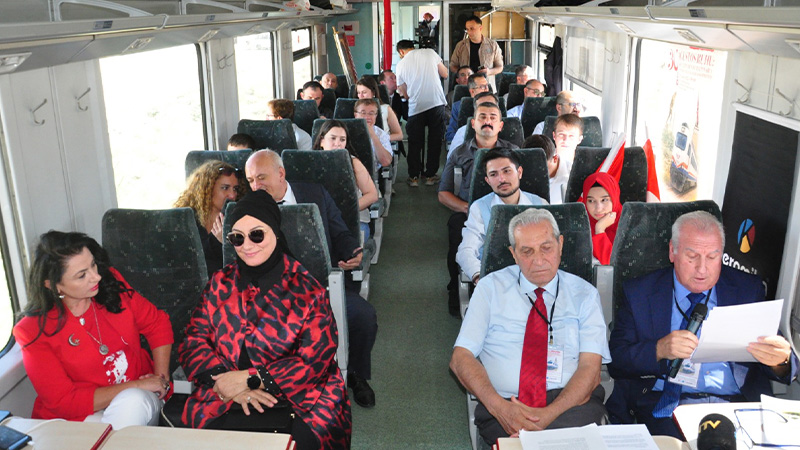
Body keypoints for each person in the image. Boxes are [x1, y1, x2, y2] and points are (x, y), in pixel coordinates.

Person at [179, 191, 351, 449]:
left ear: (276, 233)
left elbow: (313, 361)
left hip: (302, 399)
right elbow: (193, 341)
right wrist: (228, 384)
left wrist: (250, 378)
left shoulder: (308, 292)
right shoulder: (219, 284)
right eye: (237, 238)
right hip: (224, 392)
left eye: (256, 235)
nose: (247, 245)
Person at [606, 211, 799, 439]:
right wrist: (658, 350)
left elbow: (784, 363)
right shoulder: (640, 292)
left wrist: (781, 360)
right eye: (692, 256)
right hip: (668, 407)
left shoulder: (747, 290)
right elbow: (616, 361)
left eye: (712, 257)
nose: (702, 269)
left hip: (737, 405)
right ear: (672, 251)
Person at [450, 208, 610, 446]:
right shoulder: (489, 289)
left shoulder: (585, 294)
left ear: (560, 245)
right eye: (527, 251)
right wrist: (500, 408)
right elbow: (460, 358)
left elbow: (590, 369)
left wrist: (546, 417)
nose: (538, 260)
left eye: (546, 248)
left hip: (570, 405)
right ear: (513, 254)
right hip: (507, 404)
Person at [245, 150, 378, 408]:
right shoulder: (249, 209)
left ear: (281, 173)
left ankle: (356, 373)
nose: (255, 186)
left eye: (261, 177)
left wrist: (353, 251)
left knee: (364, 317)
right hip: (275, 294)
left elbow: (340, 232)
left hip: (324, 285)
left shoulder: (314, 193)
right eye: (250, 180)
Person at [14, 231, 173, 429]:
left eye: (93, 265)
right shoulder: (32, 330)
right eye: (82, 275)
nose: (96, 277)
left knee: (133, 402)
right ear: (53, 286)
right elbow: (64, 402)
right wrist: (136, 385)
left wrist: (161, 380)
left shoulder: (111, 285)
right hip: (78, 416)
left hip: (137, 401)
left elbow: (157, 324)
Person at [440, 102, 519, 317]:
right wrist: (469, 208)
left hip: (511, 209)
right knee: (456, 229)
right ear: (473, 124)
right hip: (469, 210)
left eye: (493, 117)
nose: (487, 121)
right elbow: (443, 193)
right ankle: (457, 288)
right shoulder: (459, 153)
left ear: (500, 125)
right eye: (482, 117)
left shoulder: (515, 153)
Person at [456, 148, 548, 285]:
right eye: (493, 174)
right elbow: (466, 250)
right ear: (488, 181)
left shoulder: (540, 205)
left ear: (519, 172)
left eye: (507, 171)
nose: (501, 179)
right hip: (496, 281)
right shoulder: (480, 208)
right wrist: (479, 277)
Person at [175, 160, 247, 277]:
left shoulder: (241, 219)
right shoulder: (185, 221)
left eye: (235, 189)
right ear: (207, 189)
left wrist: (229, 244)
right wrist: (217, 242)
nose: (232, 195)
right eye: (225, 188)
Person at [312, 119, 379, 240]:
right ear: (322, 140)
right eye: (333, 138)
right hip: (320, 222)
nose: (337, 144)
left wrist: (343, 211)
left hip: (353, 221)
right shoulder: (309, 164)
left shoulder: (353, 163)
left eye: (342, 140)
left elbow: (372, 194)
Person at [395, 39, 448, 187]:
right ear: (413, 47)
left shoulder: (400, 65)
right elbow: (445, 73)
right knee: (435, 141)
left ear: (401, 52)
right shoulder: (430, 53)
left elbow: (403, 92)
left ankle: (414, 177)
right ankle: (430, 176)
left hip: (416, 107)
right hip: (436, 103)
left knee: (414, 143)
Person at [450, 16, 503, 91]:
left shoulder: (493, 45)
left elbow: (500, 67)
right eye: (467, 29)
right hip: (466, 87)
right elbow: (452, 65)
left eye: (472, 29)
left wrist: (489, 71)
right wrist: (462, 74)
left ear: (480, 28)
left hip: (486, 87)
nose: (469, 32)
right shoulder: (461, 46)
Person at [580, 172, 621, 266]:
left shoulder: (630, 225)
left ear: (614, 198)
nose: (598, 209)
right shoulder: (578, 225)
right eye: (591, 201)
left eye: (604, 200)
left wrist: (599, 230)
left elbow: (612, 267)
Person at [448, 91, 499, 157]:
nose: (486, 109)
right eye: (482, 106)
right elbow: (452, 159)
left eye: (490, 105)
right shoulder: (463, 131)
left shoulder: (509, 130)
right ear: (475, 111)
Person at [523, 134, 569, 205]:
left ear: (555, 159)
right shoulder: (518, 173)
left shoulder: (571, 176)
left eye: (541, 168)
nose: (536, 173)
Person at [355, 77, 404, 142]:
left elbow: (399, 135)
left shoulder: (386, 109)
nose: (361, 96)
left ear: (373, 93)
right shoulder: (354, 109)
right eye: (358, 93)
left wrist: (382, 138)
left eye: (364, 92)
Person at [446, 73, 490, 144]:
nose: (486, 89)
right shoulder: (458, 106)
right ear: (472, 91)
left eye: (487, 86)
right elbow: (450, 134)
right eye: (482, 87)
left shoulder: (495, 106)